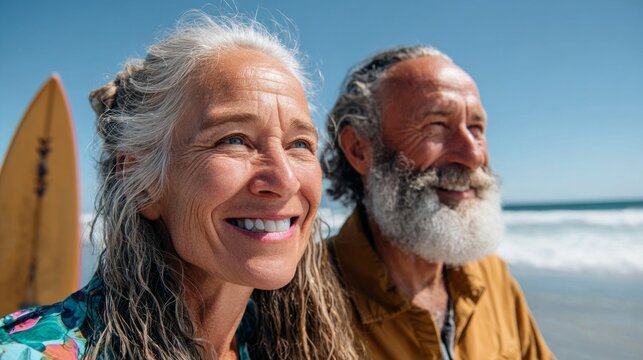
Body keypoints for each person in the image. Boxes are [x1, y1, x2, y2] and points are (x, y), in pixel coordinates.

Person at [0, 13, 361, 359]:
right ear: (141, 183)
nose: (284, 180)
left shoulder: (294, 343)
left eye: (299, 144)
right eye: (234, 140)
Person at [321, 46, 555, 359]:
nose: (472, 155)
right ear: (360, 149)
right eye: (437, 125)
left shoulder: (492, 277)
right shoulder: (308, 299)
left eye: (476, 128)